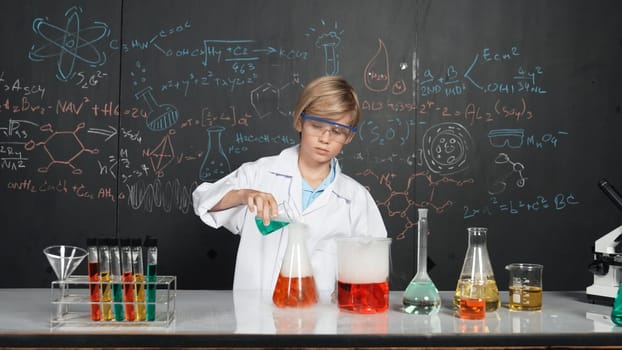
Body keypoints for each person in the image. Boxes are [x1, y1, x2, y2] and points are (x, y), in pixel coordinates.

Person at [192, 76, 387, 295]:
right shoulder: (259, 175)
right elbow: (203, 202)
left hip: (323, 322)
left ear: (349, 136)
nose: (325, 138)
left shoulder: (355, 199)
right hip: (257, 320)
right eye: (317, 125)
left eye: (337, 131)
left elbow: (372, 271)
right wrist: (244, 195)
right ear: (299, 121)